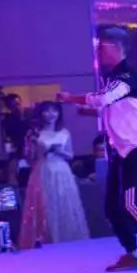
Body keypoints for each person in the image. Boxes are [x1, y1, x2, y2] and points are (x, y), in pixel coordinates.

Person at [59, 27, 137, 273]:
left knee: (133, 205)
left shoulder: (127, 74)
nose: (98, 51)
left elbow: (104, 98)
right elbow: (114, 107)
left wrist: (72, 98)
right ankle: (132, 252)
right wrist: (90, 110)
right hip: (121, 150)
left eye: (101, 46)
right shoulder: (115, 77)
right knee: (113, 207)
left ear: (116, 47)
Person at [18, 102, 90, 248]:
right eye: (47, 111)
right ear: (40, 114)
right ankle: (44, 240)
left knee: (64, 204)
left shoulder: (64, 132)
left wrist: (58, 151)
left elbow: (70, 155)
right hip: (43, 170)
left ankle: (67, 240)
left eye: (54, 111)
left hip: (62, 172)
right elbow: (29, 158)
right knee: (43, 205)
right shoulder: (34, 133)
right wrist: (34, 147)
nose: (51, 114)